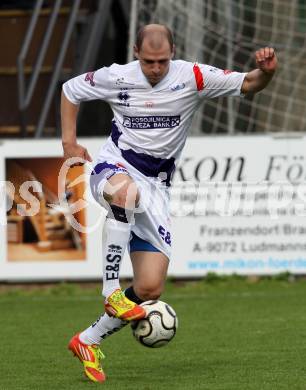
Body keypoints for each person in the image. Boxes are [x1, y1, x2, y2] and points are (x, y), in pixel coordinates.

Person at [61, 24, 277, 383]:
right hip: (115, 167)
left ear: (173, 53)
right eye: (148, 61)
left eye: (162, 61)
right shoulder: (117, 76)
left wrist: (268, 72)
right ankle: (111, 290)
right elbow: (70, 91)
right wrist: (69, 142)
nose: (155, 68)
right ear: (135, 52)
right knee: (125, 193)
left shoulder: (192, 75)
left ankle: (87, 340)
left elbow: (250, 83)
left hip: (158, 188)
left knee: (149, 288)